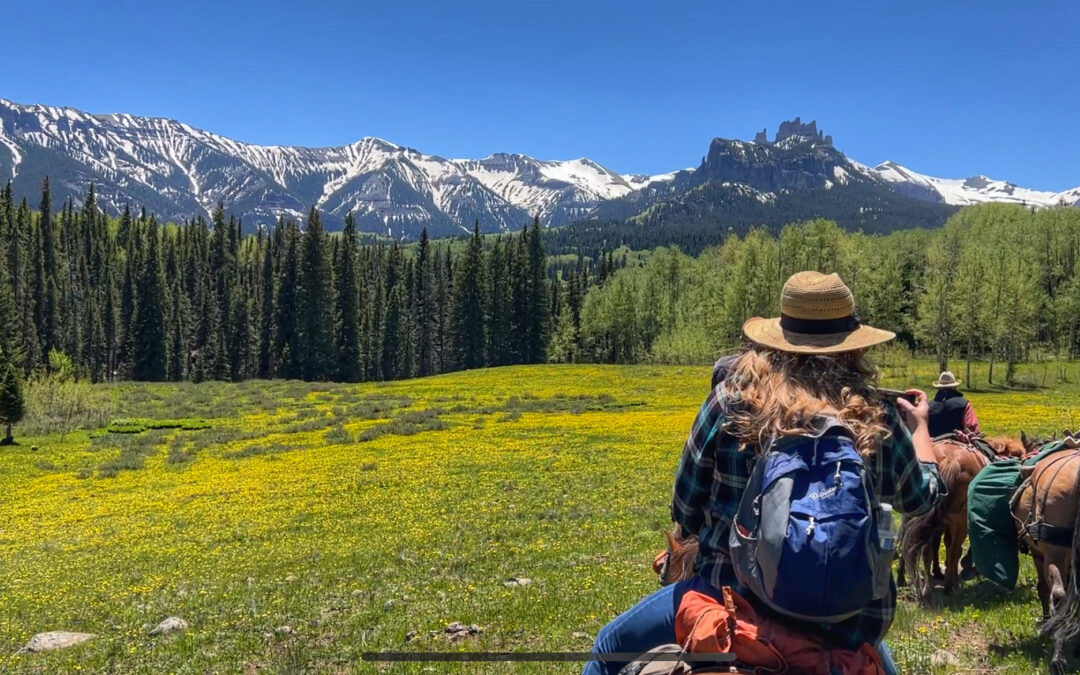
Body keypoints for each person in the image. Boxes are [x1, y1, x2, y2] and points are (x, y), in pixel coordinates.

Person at [585, 271, 943, 675]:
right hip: (848, 623)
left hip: (730, 599)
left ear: (778, 338)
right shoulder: (878, 416)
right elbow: (921, 499)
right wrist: (921, 429)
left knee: (607, 647)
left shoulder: (731, 401)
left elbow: (685, 507)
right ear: (853, 347)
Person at [928, 370, 980, 438]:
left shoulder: (928, 406)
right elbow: (972, 428)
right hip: (958, 440)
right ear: (954, 387)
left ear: (939, 387)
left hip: (931, 443)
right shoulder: (964, 403)